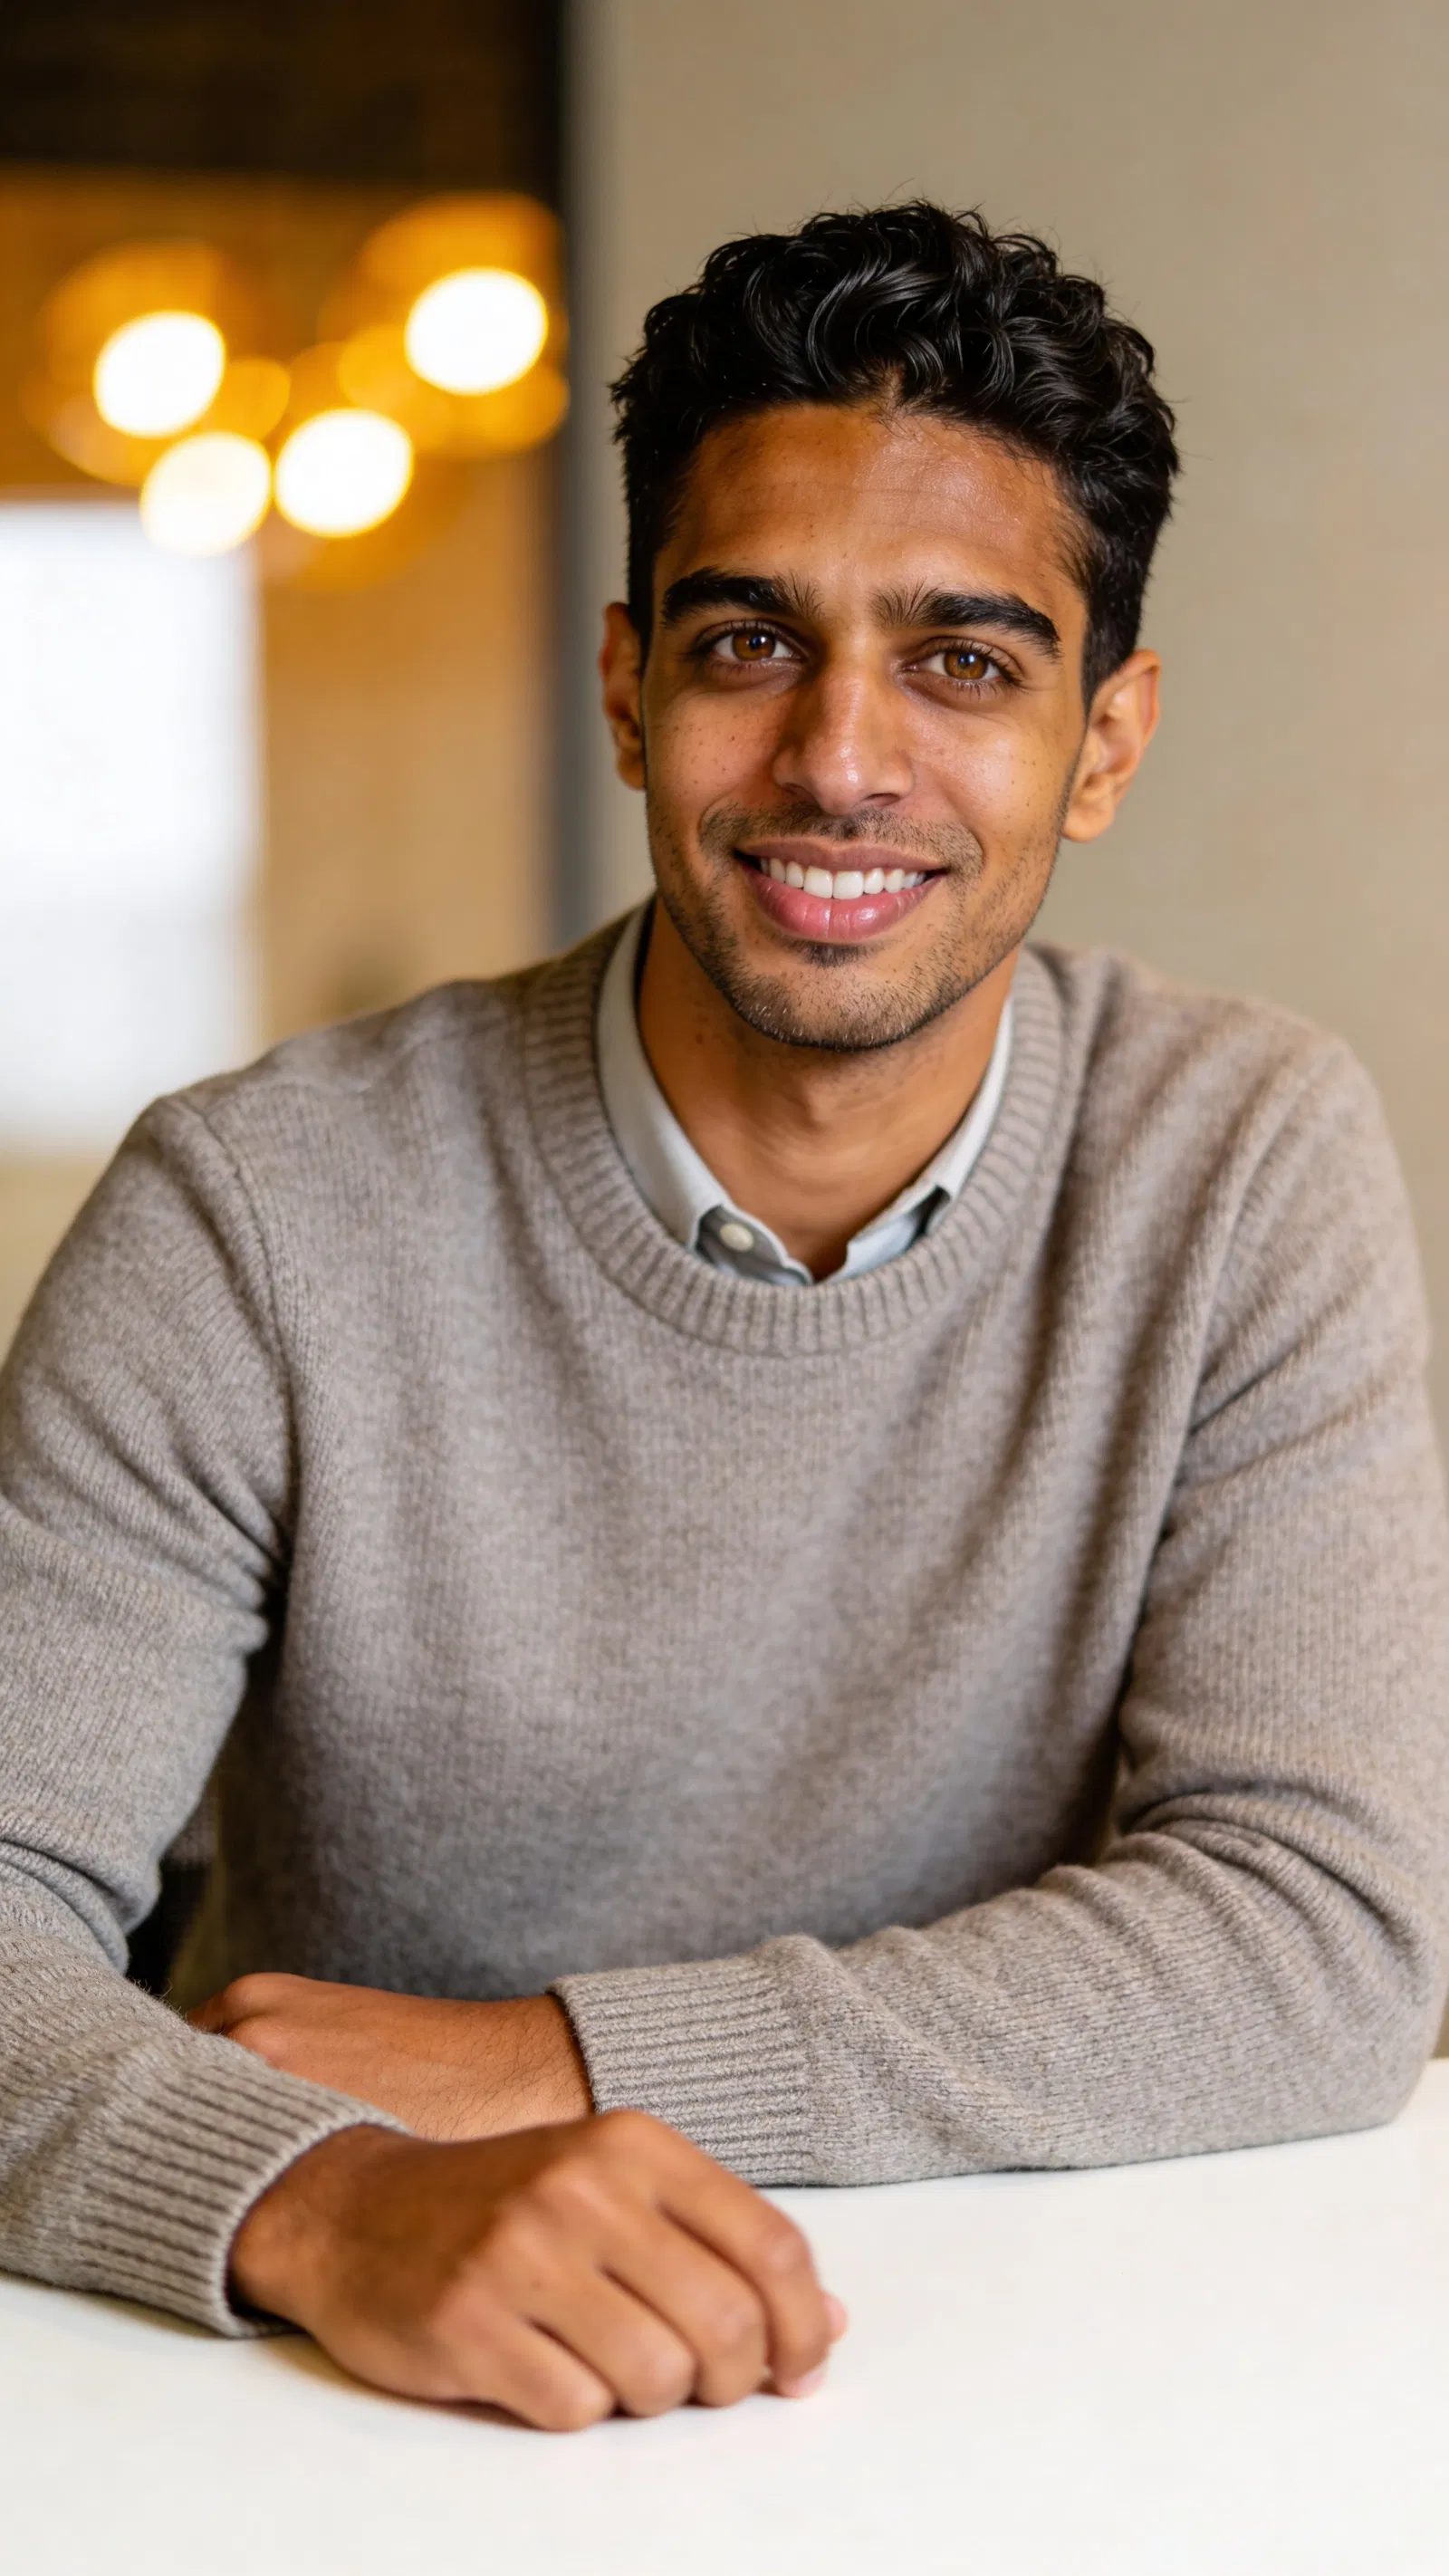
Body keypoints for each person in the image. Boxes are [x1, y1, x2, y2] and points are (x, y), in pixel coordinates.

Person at [2, 202, 1446, 2434]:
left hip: (1041, 2389)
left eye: (963, 663)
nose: (837, 761)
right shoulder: (252, 1212)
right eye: (749, 642)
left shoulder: (1238, 1157)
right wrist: (323, 2198)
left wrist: (556, 2061)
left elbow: (1319, 1937)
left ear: (1103, 741)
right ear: (626, 689)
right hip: (364, 2416)